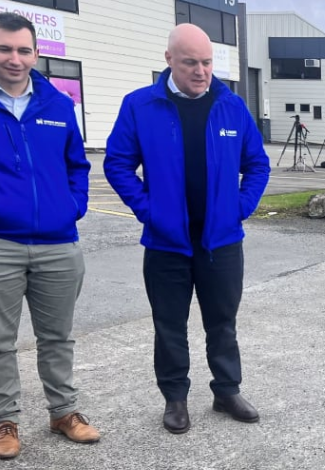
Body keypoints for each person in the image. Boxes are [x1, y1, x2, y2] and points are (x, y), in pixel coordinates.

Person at [104, 24, 270, 435]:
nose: (201, 71)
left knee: (222, 322)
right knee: (169, 324)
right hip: (167, 244)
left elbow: (258, 165)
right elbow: (118, 164)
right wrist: (148, 210)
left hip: (222, 242)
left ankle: (226, 390)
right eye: (190, 62)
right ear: (169, 60)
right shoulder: (140, 106)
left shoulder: (231, 106)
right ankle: (175, 398)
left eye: (207, 62)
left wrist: (239, 208)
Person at [0, 13, 99, 460]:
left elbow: (77, 164)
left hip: (58, 242)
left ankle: (63, 412)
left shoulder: (57, 104)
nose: (14, 58)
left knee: (58, 337)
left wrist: (71, 207)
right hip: (1, 243)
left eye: (23, 50)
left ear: (36, 53)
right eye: (4, 48)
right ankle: (5, 420)